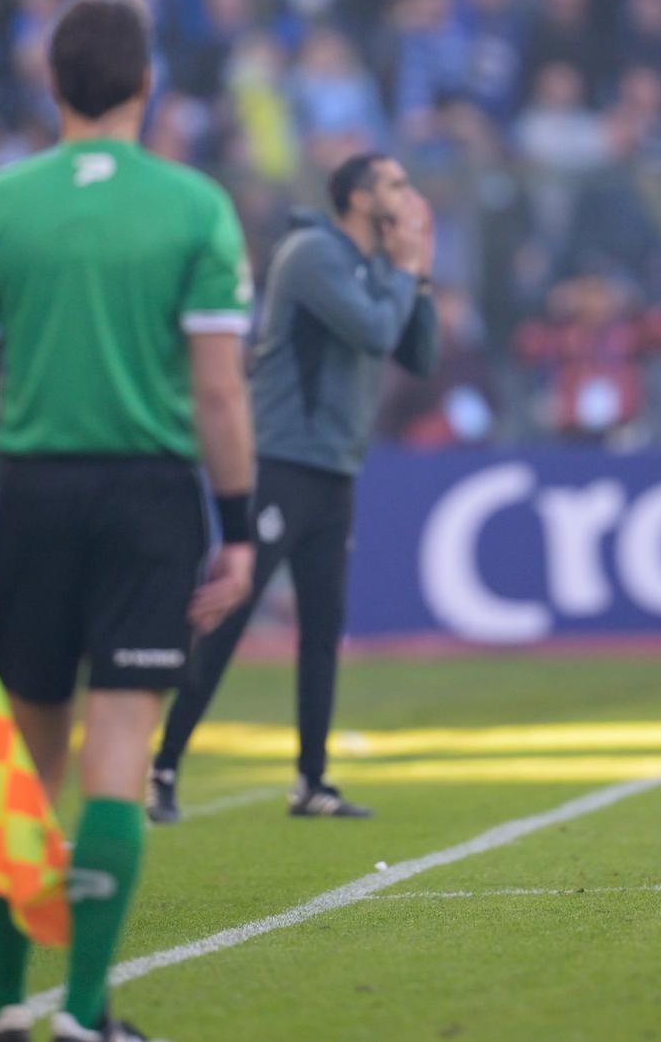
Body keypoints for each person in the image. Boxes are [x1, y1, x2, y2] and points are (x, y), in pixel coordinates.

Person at [0, 0, 256, 1042]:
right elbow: (217, 392)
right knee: (120, 746)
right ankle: (82, 1011)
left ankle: (7, 994)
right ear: (147, 84)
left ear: (51, 83)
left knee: (26, 755)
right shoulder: (195, 205)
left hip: (32, 491)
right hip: (149, 496)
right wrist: (241, 527)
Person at [149, 151, 438, 825]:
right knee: (233, 614)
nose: (408, 193)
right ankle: (162, 764)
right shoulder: (313, 252)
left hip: (334, 465)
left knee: (322, 623)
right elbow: (370, 330)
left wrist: (416, 273)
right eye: (395, 183)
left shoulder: (374, 265)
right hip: (280, 458)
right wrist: (402, 269)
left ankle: (311, 779)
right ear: (360, 198)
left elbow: (419, 355)